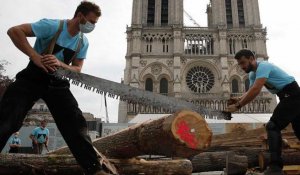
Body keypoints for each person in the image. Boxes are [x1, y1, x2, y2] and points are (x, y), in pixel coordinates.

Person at [0, 1, 110, 174]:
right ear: (80, 16)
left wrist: (61, 64)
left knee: (75, 124)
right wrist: (35, 56)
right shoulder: (52, 26)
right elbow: (14, 31)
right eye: (91, 22)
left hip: (57, 82)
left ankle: (94, 169)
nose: (92, 26)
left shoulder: (83, 42)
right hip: (33, 76)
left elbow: (77, 68)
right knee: (8, 118)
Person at [225, 49, 300, 175]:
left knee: (272, 126)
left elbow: (256, 89)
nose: (242, 67)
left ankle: (275, 167)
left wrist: (238, 106)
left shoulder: (263, 66)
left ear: (251, 59)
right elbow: (250, 92)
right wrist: (238, 99)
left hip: (292, 95)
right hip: (287, 96)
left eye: (243, 63)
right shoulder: (252, 74)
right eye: (240, 64)